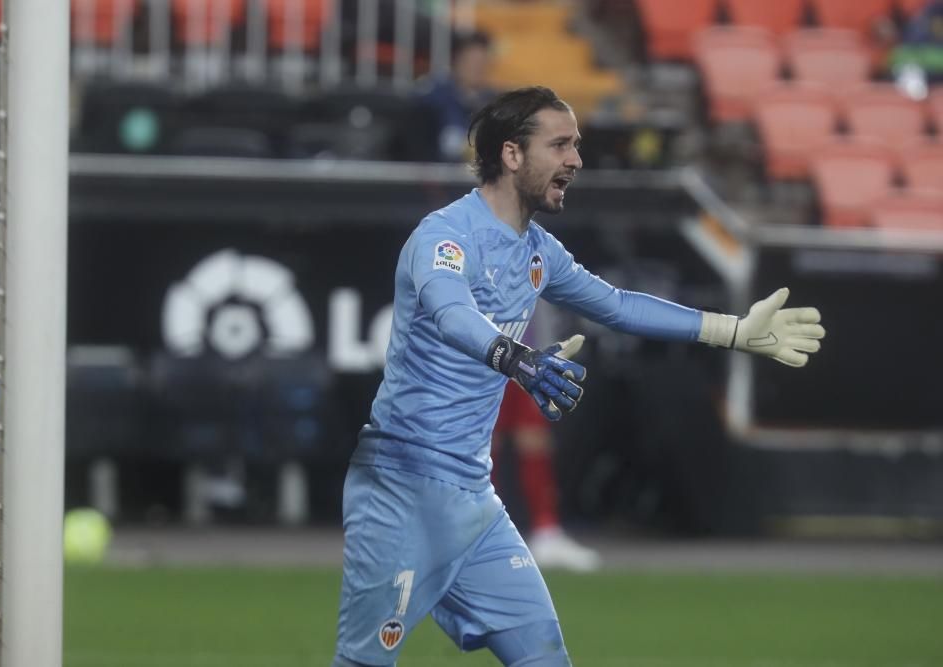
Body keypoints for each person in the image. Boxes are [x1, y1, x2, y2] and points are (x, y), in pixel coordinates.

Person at [332, 86, 825, 667]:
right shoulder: (445, 235)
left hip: (473, 499)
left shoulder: (539, 250)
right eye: (560, 144)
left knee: (544, 656)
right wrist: (515, 357)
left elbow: (617, 305)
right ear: (512, 154)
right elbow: (449, 311)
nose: (576, 159)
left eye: (577, 145)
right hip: (403, 489)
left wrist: (733, 331)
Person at [491, 302, 601, 573]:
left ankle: (546, 531)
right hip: (483, 355)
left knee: (533, 440)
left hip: (526, 357)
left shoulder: (532, 261)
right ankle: (477, 534)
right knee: (481, 445)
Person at [419, 29, 497, 162]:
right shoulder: (433, 98)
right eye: (470, 62)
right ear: (455, 61)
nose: (476, 68)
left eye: (481, 63)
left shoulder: (494, 103)